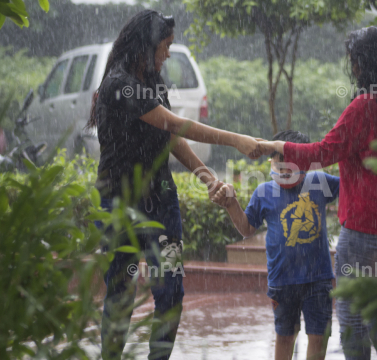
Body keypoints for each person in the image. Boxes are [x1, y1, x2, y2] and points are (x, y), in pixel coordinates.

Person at [86, 10, 262, 360]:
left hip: (161, 203)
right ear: (145, 45)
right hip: (118, 204)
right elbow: (176, 124)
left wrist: (206, 175)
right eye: (165, 46)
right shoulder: (120, 84)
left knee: (171, 292)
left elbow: (168, 135)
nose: (168, 53)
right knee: (121, 293)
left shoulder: (153, 81)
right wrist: (237, 140)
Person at [257, 27, 377, 360]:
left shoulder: (365, 106)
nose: (353, 68)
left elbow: (322, 152)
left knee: (350, 315)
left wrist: (276, 146)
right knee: (373, 304)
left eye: (354, 61)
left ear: (363, 63)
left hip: (366, 229)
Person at [213, 130, 340, 360]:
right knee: (284, 336)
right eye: (279, 168)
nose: (284, 174)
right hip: (283, 281)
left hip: (318, 279)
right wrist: (231, 204)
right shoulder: (263, 192)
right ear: (271, 162)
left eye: (290, 170)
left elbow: (351, 185)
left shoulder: (319, 183)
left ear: (306, 165)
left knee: (319, 336)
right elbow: (247, 229)